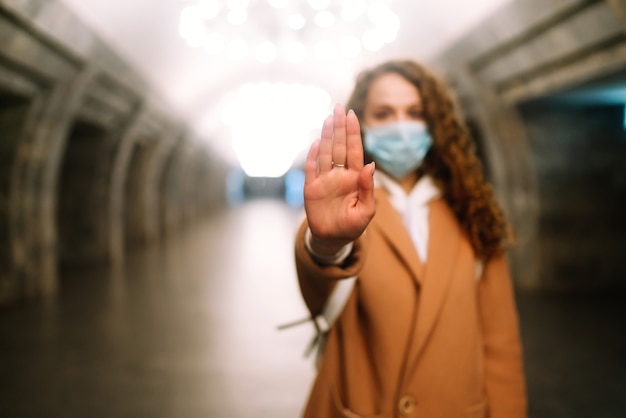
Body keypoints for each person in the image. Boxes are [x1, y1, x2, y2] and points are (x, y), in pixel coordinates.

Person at [293, 60, 527, 418]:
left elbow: (500, 345)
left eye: (414, 112)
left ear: (434, 124)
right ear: (363, 125)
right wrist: (326, 242)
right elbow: (319, 279)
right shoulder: (346, 207)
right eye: (384, 113)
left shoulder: (472, 210)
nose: (401, 126)